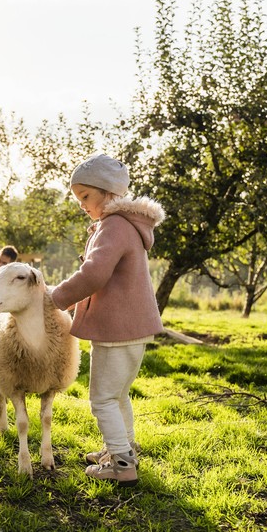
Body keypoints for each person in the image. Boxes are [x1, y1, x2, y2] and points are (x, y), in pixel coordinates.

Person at [50, 153, 165, 486]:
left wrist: (55, 297)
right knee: (118, 396)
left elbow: (94, 274)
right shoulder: (124, 224)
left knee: (101, 398)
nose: (82, 205)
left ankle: (121, 463)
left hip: (116, 329)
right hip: (133, 329)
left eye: (85, 197)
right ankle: (121, 447)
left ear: (108, 192)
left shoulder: (114, 225)